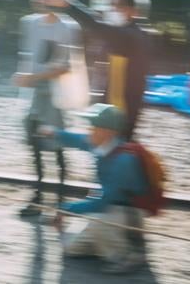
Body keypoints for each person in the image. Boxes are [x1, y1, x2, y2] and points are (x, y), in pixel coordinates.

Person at [38, 104, 149, 274]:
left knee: (98, 222)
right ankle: (113, 242)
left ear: (108, 132)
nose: (89, 131)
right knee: (71, 248)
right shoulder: (103, 144)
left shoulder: (123, 160)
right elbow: (76, 139)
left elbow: (102, 203)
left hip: (128, 211)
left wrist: (65, 209)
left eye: (93, 127)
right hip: (111, 207)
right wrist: (53, 132)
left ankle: (126, 255)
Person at [46, 0, 152, 140]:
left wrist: (68, 5)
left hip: (122, 115)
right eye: (111, 5)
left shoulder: (131, 36)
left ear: (134, 11)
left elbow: (96, 26)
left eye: (119, 6)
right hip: (113, 110)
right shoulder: (127, 33)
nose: (113, 10)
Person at [15, 0, 80, 218]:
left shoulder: (68, 27)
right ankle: (39, 195)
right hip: (32, 92)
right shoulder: (29, 24)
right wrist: (26, 77)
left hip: (55, 93)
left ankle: (61, 197)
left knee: (57, 143)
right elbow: (27, 55)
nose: (45, 3)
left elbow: (67, 66)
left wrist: (32, 77)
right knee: (35, 144)